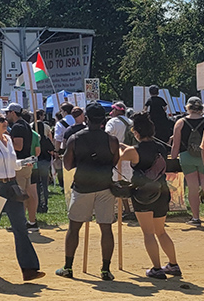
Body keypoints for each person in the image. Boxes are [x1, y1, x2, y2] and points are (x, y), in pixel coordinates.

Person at [0, 112, 44, 281]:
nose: (5, 122)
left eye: (5, 119)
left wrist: (25, 162)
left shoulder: (8, 140)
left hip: (12, 185)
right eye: (1, 120)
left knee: (21, 226)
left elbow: (13, 164)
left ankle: (29, 269)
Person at [56, 102, 119, 281]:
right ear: (103, 119)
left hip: (82, 186)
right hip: (105, 186)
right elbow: (114, 161)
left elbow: (67, 165)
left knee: (74, 227)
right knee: (106, 228)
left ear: (87, 118)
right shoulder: (112, 140)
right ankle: (105, 270)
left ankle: (68, 267)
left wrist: (80, 161)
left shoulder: (75, 139)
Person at [119, 113, 180, 279]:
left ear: (136, 132)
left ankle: (156, 268)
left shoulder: (133, 150)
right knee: (161, 231)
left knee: (148, 232)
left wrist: (120, 147)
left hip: (142, 194)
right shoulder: (160, 147)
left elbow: (120, 158)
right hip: (161, 191)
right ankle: (173, 265)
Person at [170, 97, 204, 226]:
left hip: (186, 156)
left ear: (187, 107)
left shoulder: (180, 123)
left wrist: (173, 157)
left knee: (192, 188)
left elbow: (175, 145)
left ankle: (195, 218)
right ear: (201, 108)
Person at [5, 104, 37, 232]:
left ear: (13, 112)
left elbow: (18, 146)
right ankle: (25, 222)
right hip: (26, 163)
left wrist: (7, 139)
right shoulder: (25, 125)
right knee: (24, 193)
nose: (6, 116)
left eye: (7, 113)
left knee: (19, 194)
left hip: (21, 164)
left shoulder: (18, 127)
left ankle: (20, 223)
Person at [105, 102, 134, 217]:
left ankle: (112, 210)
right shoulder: (131, 122)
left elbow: (107, 134)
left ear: (117, 111)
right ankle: (128, 209)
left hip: (116, 155)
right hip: (130, 154)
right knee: (126, 182)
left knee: (114, 182)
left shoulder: (112, 122)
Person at [33, 109, 54, 213]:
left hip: (35, 161)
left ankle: (38, 205)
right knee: (44, 184)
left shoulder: (31, 129)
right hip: (44, 161)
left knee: (36, 185)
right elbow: (51, 145)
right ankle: (44, 204)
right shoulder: (46, 129)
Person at [144, 86, 174, 152]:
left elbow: (145, 108)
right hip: (162, 117)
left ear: (150, 93)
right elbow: (165, 107)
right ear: (158, 92)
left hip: (153, 117)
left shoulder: (149, 100)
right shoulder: (160, 99)